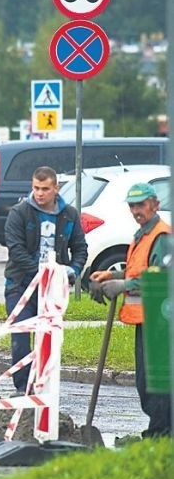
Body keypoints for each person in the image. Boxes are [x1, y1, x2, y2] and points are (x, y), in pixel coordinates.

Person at [89, 182, 171, 438]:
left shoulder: (161, 236)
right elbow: (141, 269)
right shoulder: (143, 234)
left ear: (155, 205)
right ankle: (158, 431)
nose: (137, 210)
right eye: (132, 206)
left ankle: (162, 434)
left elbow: (159, 277)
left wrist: (122, 285)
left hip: (161, 321)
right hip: (147, 319)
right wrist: (114, 275)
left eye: (141, 205)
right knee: (144, 381)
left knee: (156, 383)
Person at [4, 166, 87, 394]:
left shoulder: (69, 215)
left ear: (55, 188)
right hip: (20, 286)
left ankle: (46, 387)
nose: (40, 193)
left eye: (45, 189)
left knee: (49, 338)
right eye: (36, 188)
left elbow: (80, 248)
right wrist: (42, 274)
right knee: (21, 337)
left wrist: (73, 271)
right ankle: (23, 388)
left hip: (53, 289)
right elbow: (16, 250)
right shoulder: (19, 213)